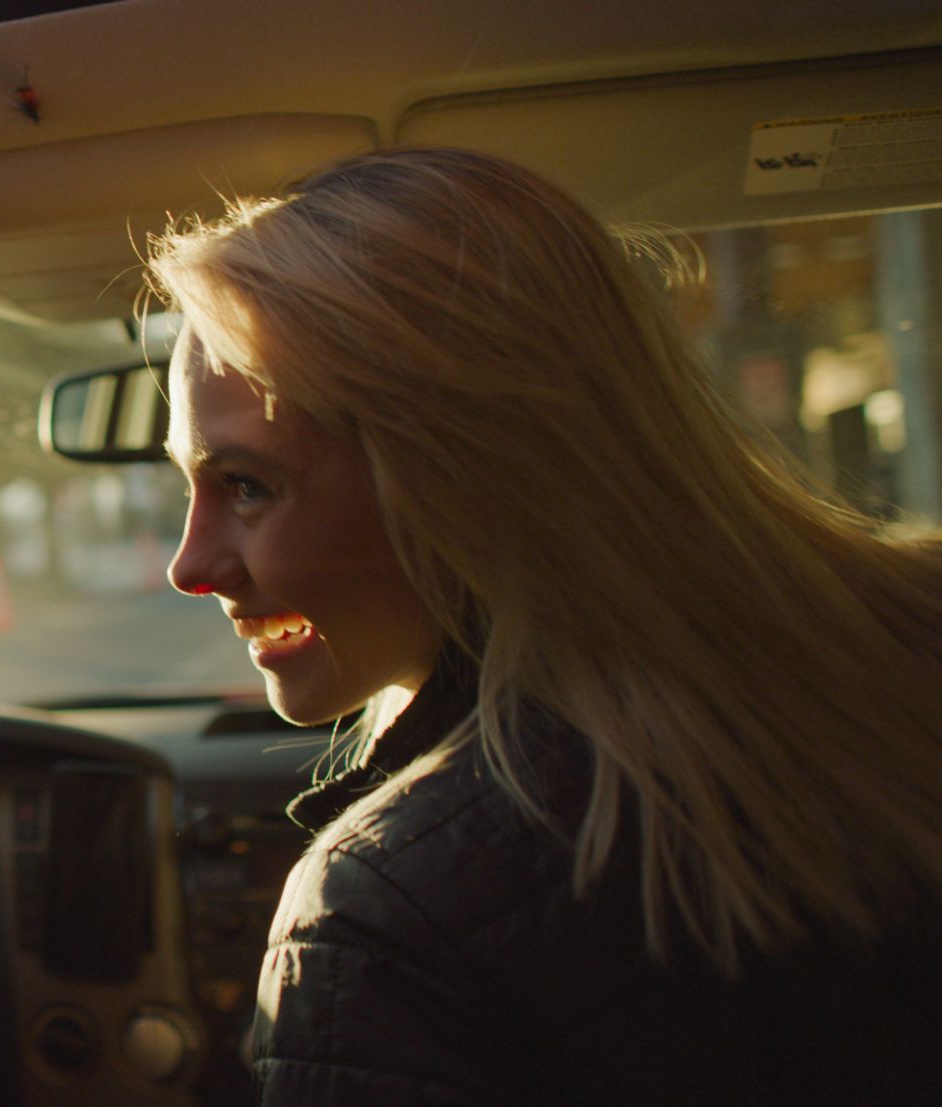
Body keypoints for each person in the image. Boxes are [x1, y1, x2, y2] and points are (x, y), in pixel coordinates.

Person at [150, 147, 942, 1104]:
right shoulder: (908, 647)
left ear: (461, 482)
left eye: (245, 485)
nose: (189, 567)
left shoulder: (383, 916)